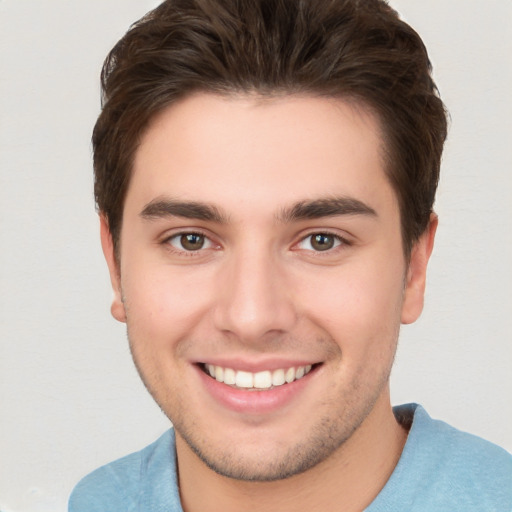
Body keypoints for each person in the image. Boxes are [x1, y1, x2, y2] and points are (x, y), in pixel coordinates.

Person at [68, 0, 512, 510]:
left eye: (322, 240)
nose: (252, 317)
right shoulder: (99, 501)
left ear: (414, 267)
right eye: (190, 239)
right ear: (115, 262)